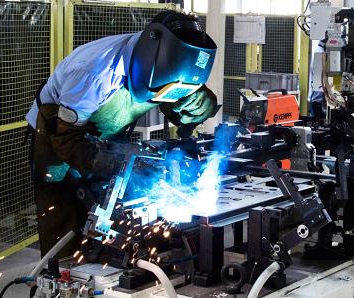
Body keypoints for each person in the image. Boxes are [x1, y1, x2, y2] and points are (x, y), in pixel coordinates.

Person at [25, 10, 218, 256]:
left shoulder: (167, 63)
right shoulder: (94, 73)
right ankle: (63, 275)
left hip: (104, 130)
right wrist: (118, 165)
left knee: (117, 202)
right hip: (58, 134)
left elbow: (173, 98)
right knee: (66, 212)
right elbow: (68, 140)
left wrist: (195, 109)